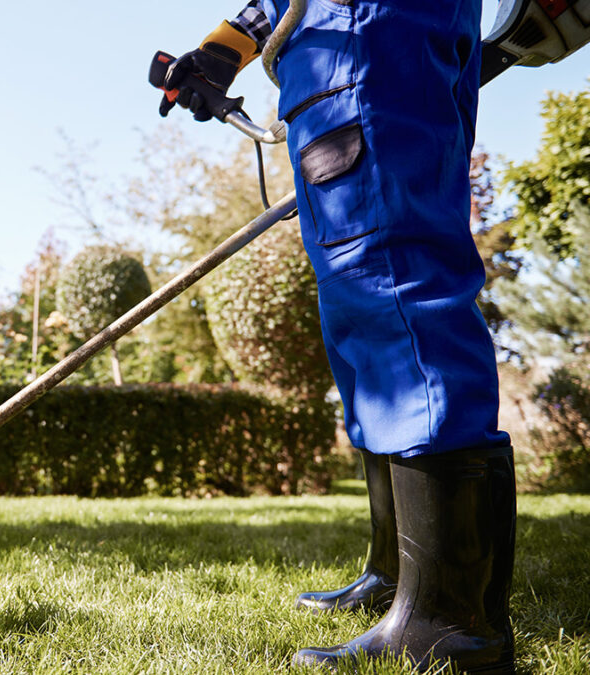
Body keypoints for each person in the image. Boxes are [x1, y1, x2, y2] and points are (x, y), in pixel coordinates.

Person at [158, 1, 517, 672]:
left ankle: (451, 618)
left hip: (368, 30)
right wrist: (222, 48)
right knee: (358, 315)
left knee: (391, 281)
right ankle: (398, 574)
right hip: (336, 43)